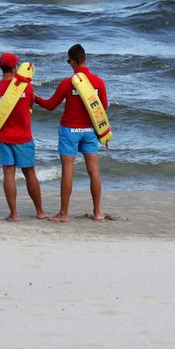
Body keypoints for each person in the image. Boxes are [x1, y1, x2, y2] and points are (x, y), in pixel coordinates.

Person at [35, 43, 108, 222]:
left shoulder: (68, 83)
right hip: (90, 131)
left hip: (70, 131)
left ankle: (64, 214)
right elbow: (103, 108)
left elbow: (51, 105)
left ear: (73, 61)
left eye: (69, 62)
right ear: (85, 59)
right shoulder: (98, 82)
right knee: (94, 171)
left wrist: (36, 98)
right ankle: (97, 213)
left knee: (68, 170)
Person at [0, 52, 45, 221]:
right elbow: (30, 106)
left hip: (3, 137)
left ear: (1, 68)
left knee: (8, 173)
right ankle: (40, 212)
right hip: (23, 136)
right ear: (14, 67)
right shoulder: (27, 87)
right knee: (30, 172)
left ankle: (13, 214)